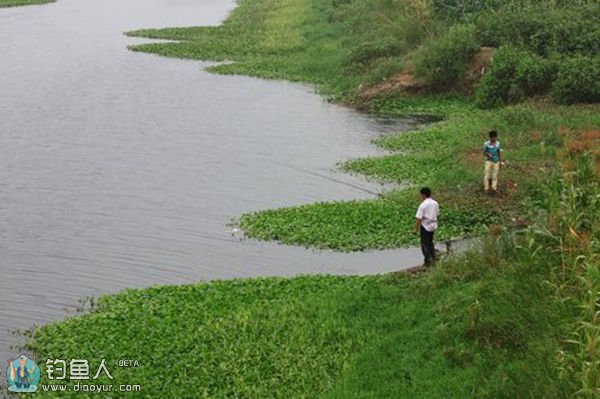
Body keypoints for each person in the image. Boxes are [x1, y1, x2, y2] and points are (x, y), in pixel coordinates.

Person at [415, 187, 439, 266]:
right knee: (430, 241)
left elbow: (419, 218)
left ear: (424, 195)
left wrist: (416, 229)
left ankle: (428, 260)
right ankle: (433, 256)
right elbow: (437, 214)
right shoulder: (435, 203)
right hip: (433, 225)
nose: (421, 197)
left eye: (421, 195)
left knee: (424, 243)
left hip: (425, 226)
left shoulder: (423, 205)